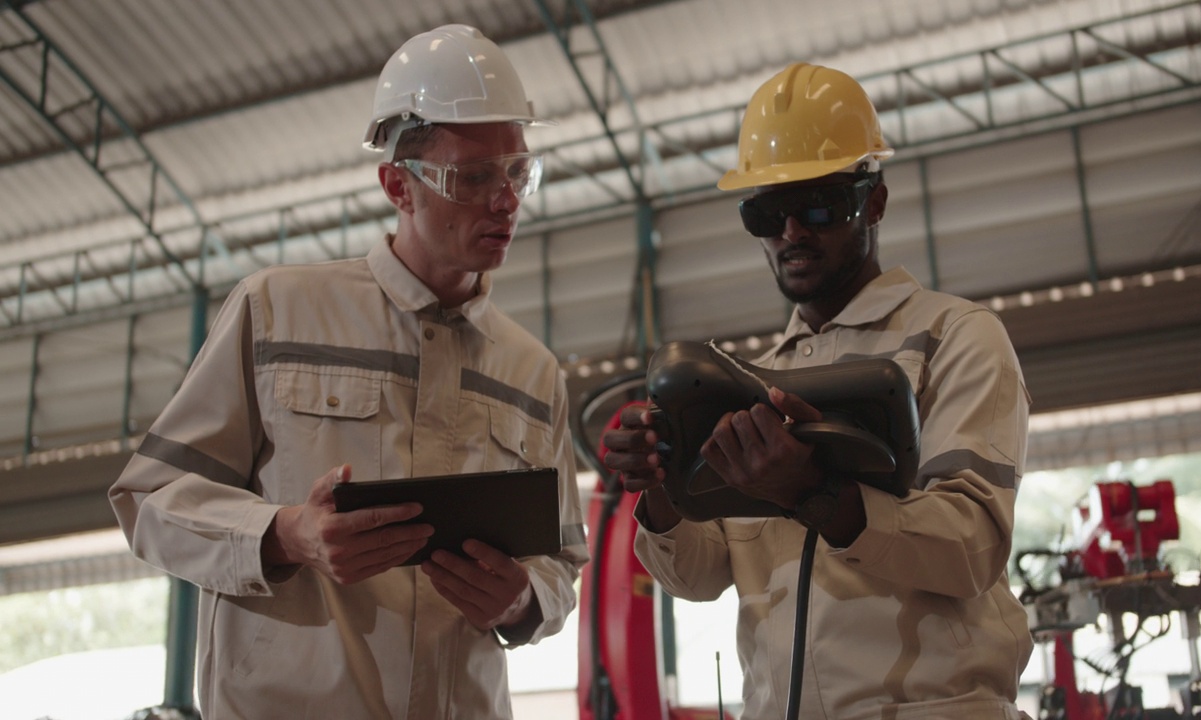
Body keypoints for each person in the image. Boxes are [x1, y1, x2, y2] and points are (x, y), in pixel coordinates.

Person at [108, 25, 587, 719]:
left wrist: (520, 600)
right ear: (399, 185)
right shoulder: (276, 312)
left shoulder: (533, 373)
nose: (506, 200)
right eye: (473, 177)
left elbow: (563, 563)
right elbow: (148, 500)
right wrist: (286, 534)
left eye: (517, 172)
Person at [602, 62, 1033, 720]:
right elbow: (698, 575)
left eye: (820, 206)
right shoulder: (750, 387)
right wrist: (659, 486)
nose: (792, 233)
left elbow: (970, 547)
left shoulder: (954, 340)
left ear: (876, 202)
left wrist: (816, 495)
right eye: (766, 213)